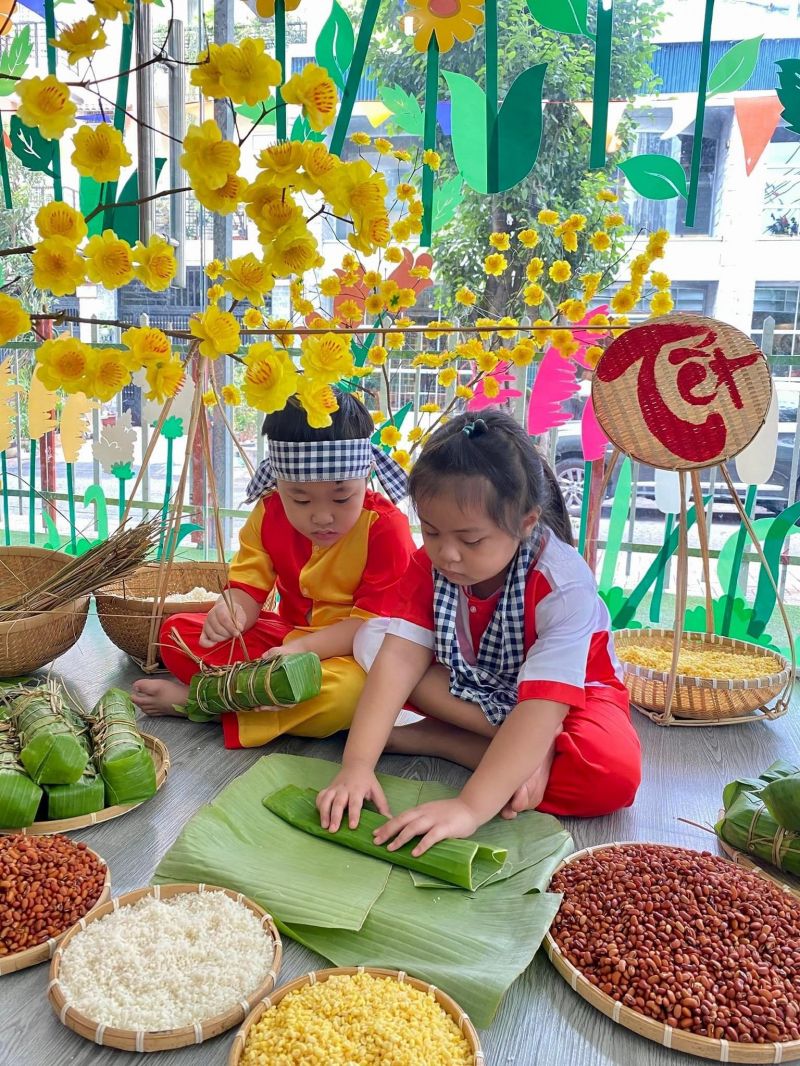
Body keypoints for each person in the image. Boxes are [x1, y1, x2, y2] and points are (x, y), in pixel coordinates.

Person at [317, 409, 641, 853]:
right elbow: (398, 659)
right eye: (430, 532)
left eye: (471, 541)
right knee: (376, 643)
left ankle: (446, 740)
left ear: (525, 523)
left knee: (610, 775)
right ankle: (507, 749)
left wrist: (469, 807)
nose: (447, 554)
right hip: (479, 683)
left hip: (570, 697)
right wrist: (357, 765)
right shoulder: (428, 566)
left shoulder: (563, 583)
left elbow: (544, 706)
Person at [131, 389, 415, 748]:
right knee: (176, 634)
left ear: (366, 478)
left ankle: (200, 703)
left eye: (342, 498)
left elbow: (369, 626)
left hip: (352, 656)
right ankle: (253, 697)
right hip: (285, 635)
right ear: (277, 482)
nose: (323, 516)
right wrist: (233, 610)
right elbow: (249, 587)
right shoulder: (268, 513)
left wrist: (301, 652)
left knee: (347, 696)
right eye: (300, 498)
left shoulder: (385, 528)